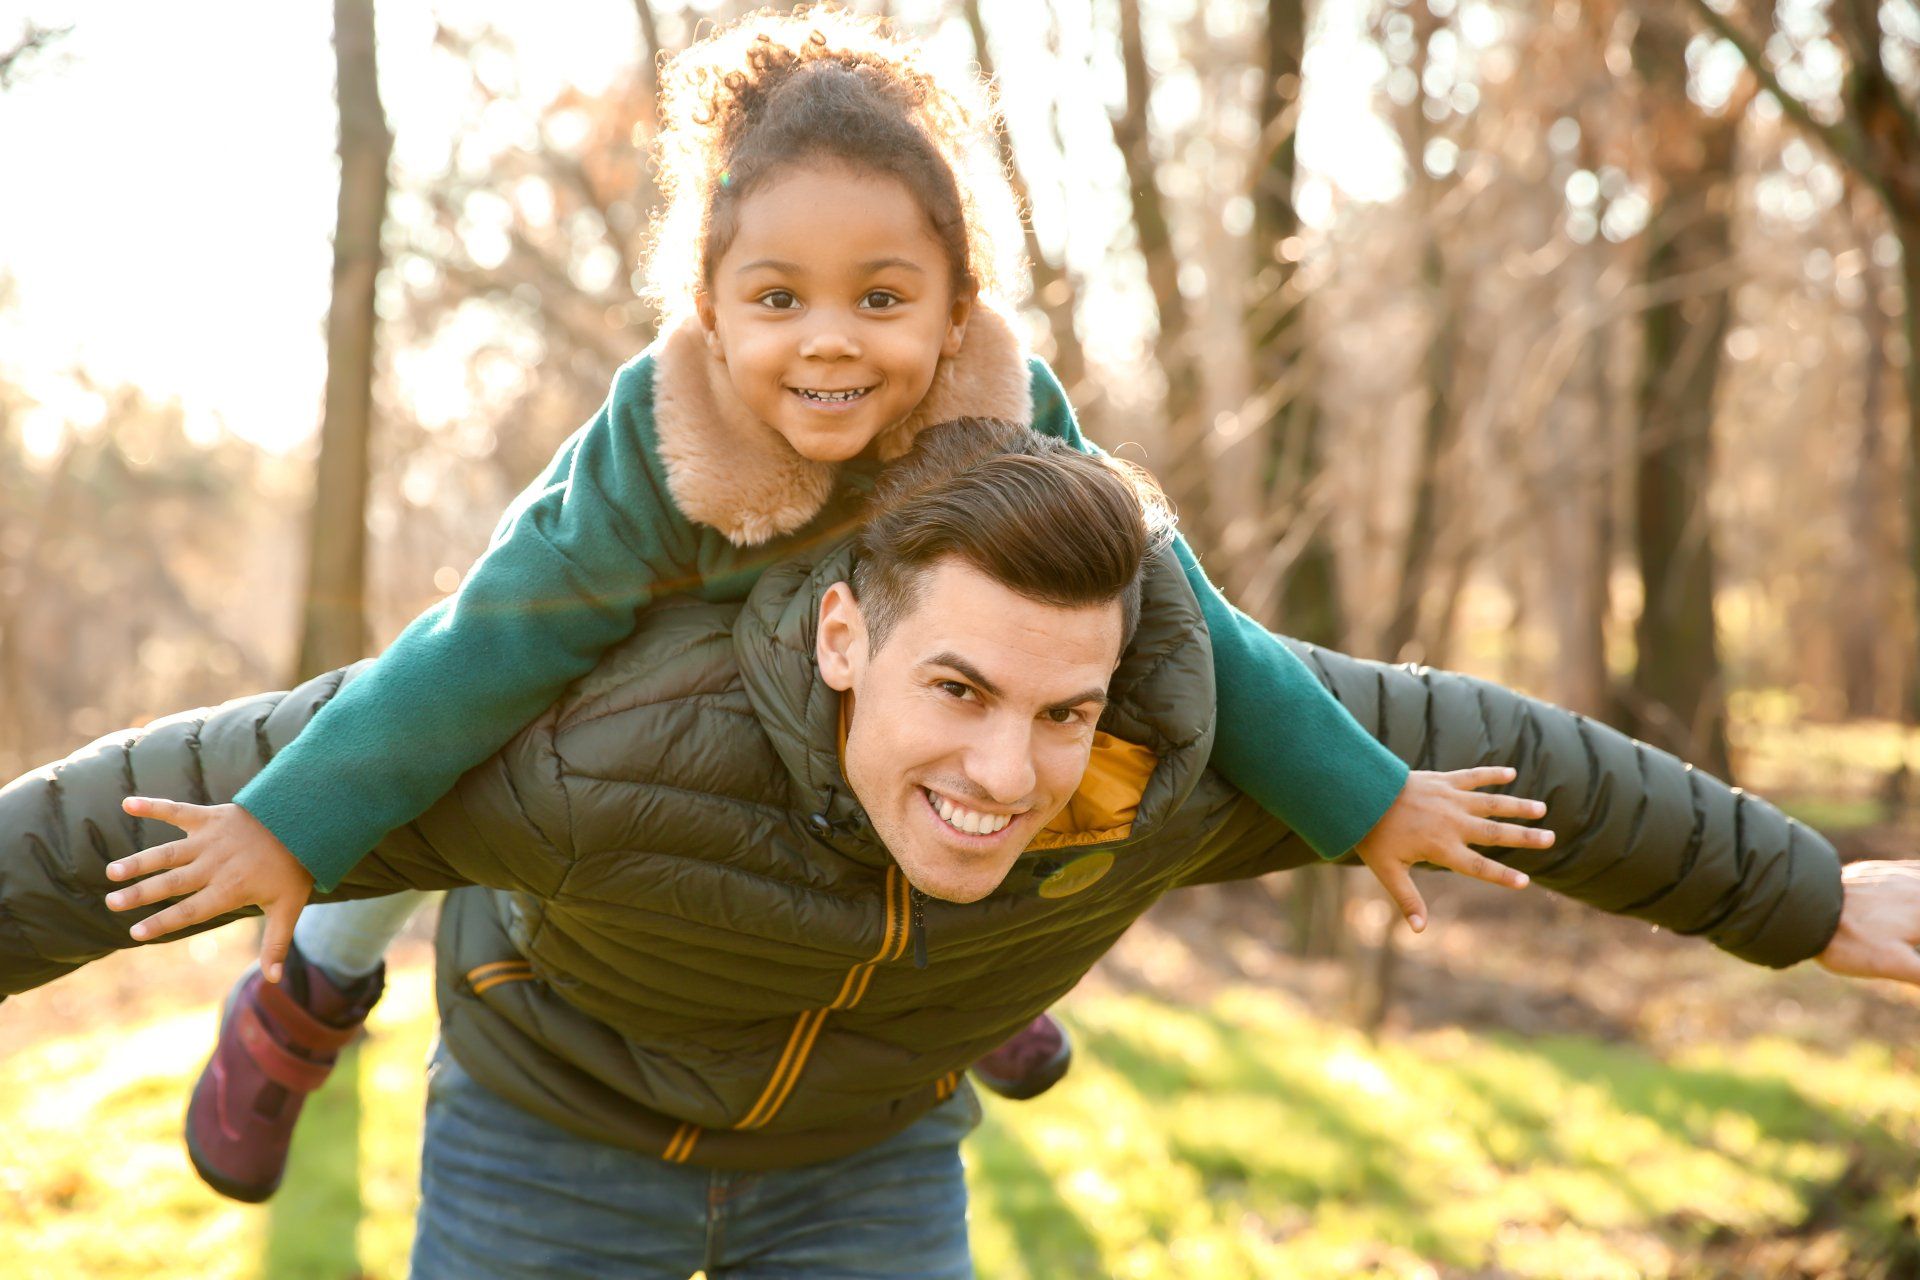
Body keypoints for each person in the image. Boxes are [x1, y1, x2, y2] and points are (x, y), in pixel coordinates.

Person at [96, 11, 1530, 1203]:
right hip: (618, 713)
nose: (831, 339)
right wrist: (286, 824)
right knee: (474, 747)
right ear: (710, 312)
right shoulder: (652, 453)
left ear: (958, 310)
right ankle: (307, 1002)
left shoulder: (1011, 414)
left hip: (866, 746)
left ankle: (975, 975)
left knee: (1005, 701)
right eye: (778, 298)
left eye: (882, 297)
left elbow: (1190, 627)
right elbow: (475, 660)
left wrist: (1366, 798)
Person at [4, 421, 1906, 1280]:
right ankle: (306, 1007)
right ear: (845, 635)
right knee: (367, 826)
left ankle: (974, 992)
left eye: (1062, 709)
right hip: (555, 1134)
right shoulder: (602, 738)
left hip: (865, 1163)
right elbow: (139, 803)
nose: (1014, 766)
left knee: (987, 866)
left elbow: (1504, 760)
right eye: (959, 691)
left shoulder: (1172, 745)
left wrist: (1809, 901)